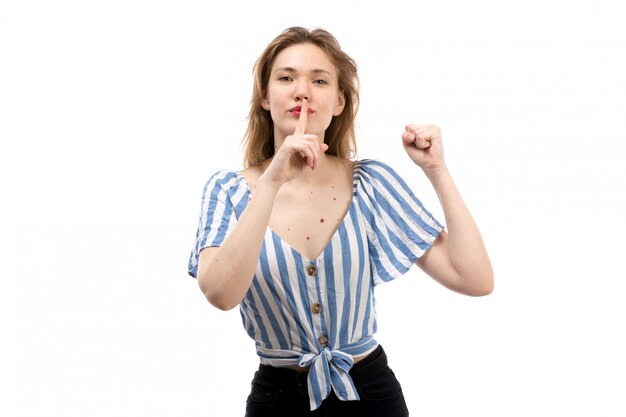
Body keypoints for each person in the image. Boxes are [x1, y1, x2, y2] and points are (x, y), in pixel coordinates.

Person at [188, 26, 493, 417]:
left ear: (338, 102)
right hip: (278, 399)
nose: (302, 91)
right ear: (265, 97)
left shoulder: (370, 183)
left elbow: (476, 279)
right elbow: (220, 294)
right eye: (286, 78)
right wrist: (272, 181)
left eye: (319, 80)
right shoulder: (227, 191)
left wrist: (437, 170)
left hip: (372, 393)